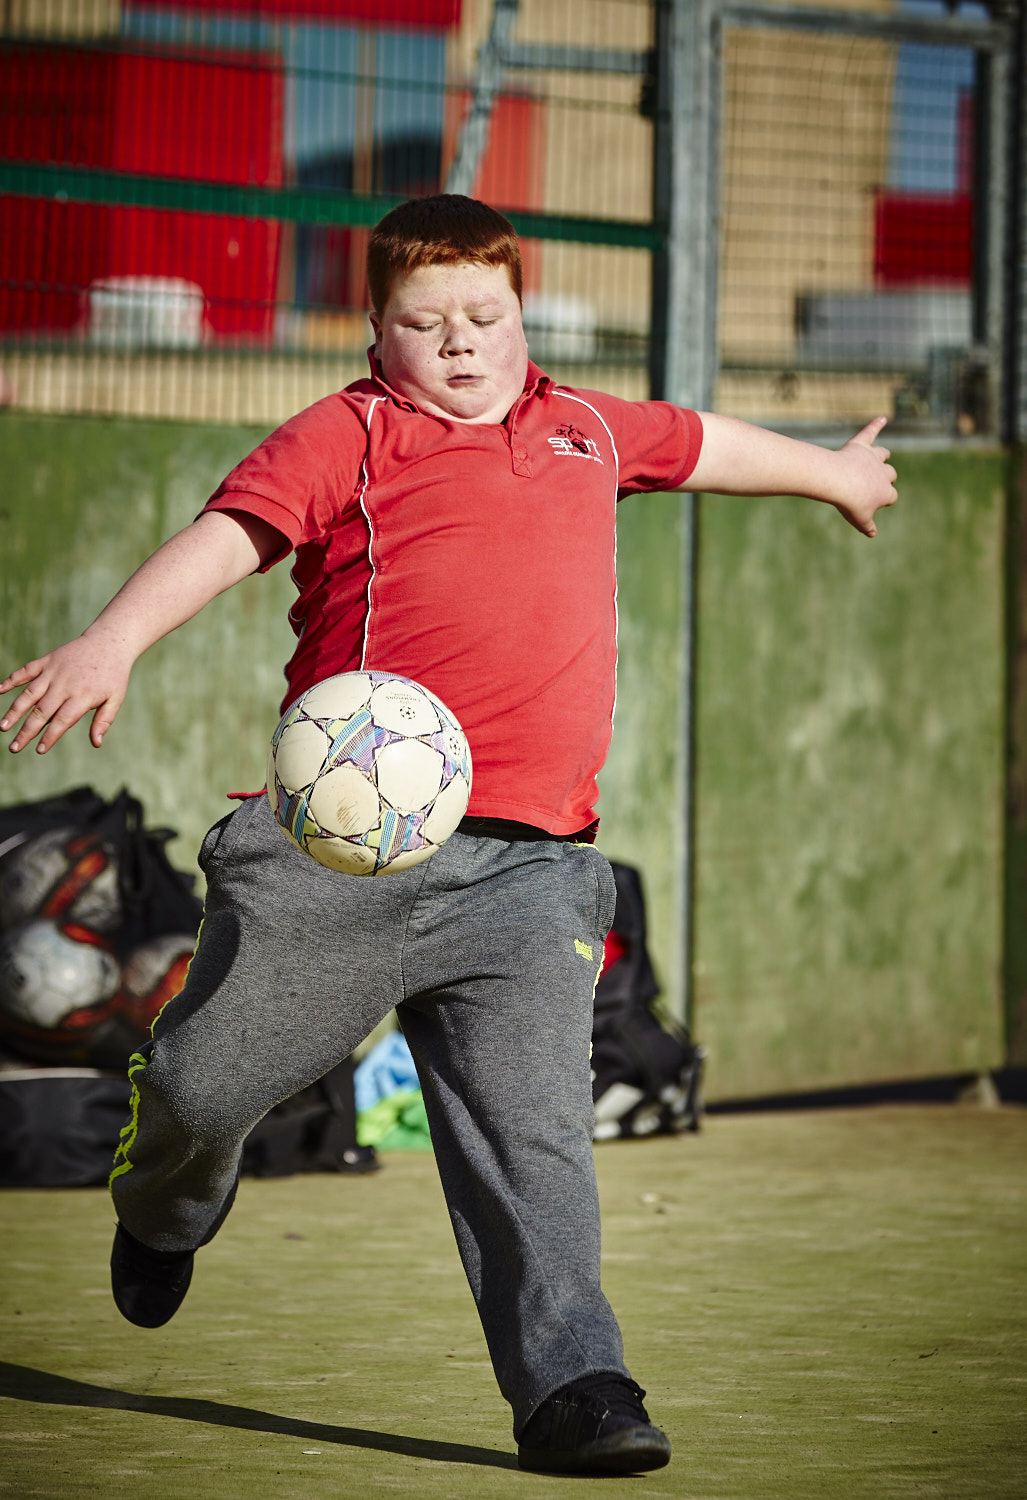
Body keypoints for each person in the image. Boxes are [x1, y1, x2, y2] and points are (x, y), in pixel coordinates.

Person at [0, 195, 897, 1476]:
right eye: (425, 324)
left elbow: (704, 444)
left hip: (531, 870)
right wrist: (112, 640)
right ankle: (166, 1204)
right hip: (334, 863)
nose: (462, 344)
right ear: (375, 329)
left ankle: (575, 1385)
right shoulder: (348, 435)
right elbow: (225, 540)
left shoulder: (585, 427)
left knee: (536, 1143)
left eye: (487, 317)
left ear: (521, 313)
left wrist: (832, 473)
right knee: (201, 1090)